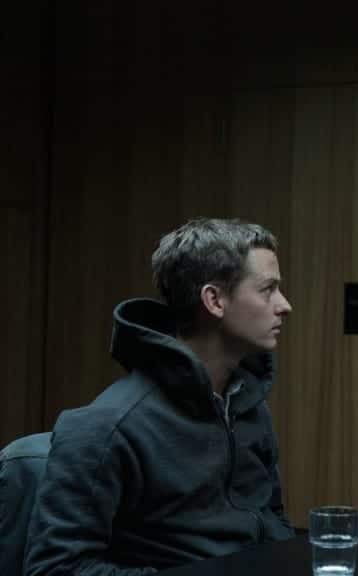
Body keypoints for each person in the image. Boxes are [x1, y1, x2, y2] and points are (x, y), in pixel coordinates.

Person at [24, 218, 296, 575]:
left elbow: (273, 519)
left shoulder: (247, 404)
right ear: (214, 300)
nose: (284, 305)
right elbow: (55, 569)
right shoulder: (107, 426)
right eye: (268, 289)